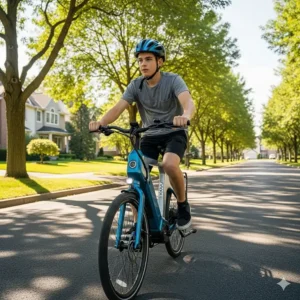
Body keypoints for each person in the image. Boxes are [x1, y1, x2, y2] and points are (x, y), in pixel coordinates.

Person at [89, 38, 195, 230]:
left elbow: (188, 102)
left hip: (174, 132)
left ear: (159, 62)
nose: (143, 64)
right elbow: (118, 108)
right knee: (136, 174)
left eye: (148, 59)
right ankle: (139, 224)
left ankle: (182, 205)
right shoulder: (135, 85)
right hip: (150, 135)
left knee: (170, 165)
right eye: (140, 60)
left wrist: (185, 115)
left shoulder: (173, 80)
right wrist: (101, 123)